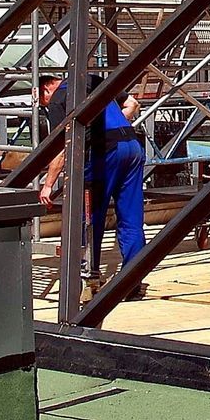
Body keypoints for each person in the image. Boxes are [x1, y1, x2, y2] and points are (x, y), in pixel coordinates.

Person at [37, 72, 146, 296]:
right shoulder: (91, 80)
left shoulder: (59, 98)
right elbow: (132, 103)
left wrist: (48, 184)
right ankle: (132, 282)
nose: (44, 106)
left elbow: (62, 147)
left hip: (105, 154)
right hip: (132, 147)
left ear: (47, 88)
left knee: (89, 218)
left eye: (41, 101)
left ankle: (89, 278)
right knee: (131, 220)